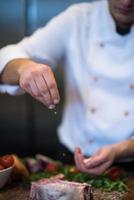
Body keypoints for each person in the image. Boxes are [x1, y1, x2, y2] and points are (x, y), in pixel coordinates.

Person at [0, 0, 134, 175]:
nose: (126, 2)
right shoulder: (79, 19)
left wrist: (120, 149)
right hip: (73, 157)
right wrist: (23, 68)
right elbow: (7, 57)